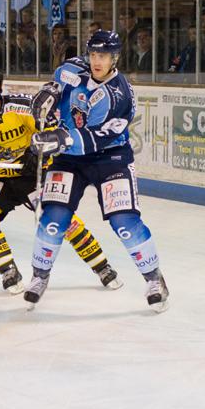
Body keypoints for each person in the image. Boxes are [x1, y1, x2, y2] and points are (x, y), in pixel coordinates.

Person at [27, 30, 170, 312]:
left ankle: (155, 280)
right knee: (54, 218)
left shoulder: (119, 96)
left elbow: (94, 138)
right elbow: (56, 90)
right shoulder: (69, 69)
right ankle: (39, 276)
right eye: (93, 54)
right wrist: (46, 97)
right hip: (69, 158)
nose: (96, 60)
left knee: (124, 222)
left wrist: (58, 139)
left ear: (115, 58)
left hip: (109, 158)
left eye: (103, 55)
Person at [0, 64, 121, 294]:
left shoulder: (23, 107)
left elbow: (53, 133)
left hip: (33, 176)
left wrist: (38, 153)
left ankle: (102, 267)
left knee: (63, 221)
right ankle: (8, 271)